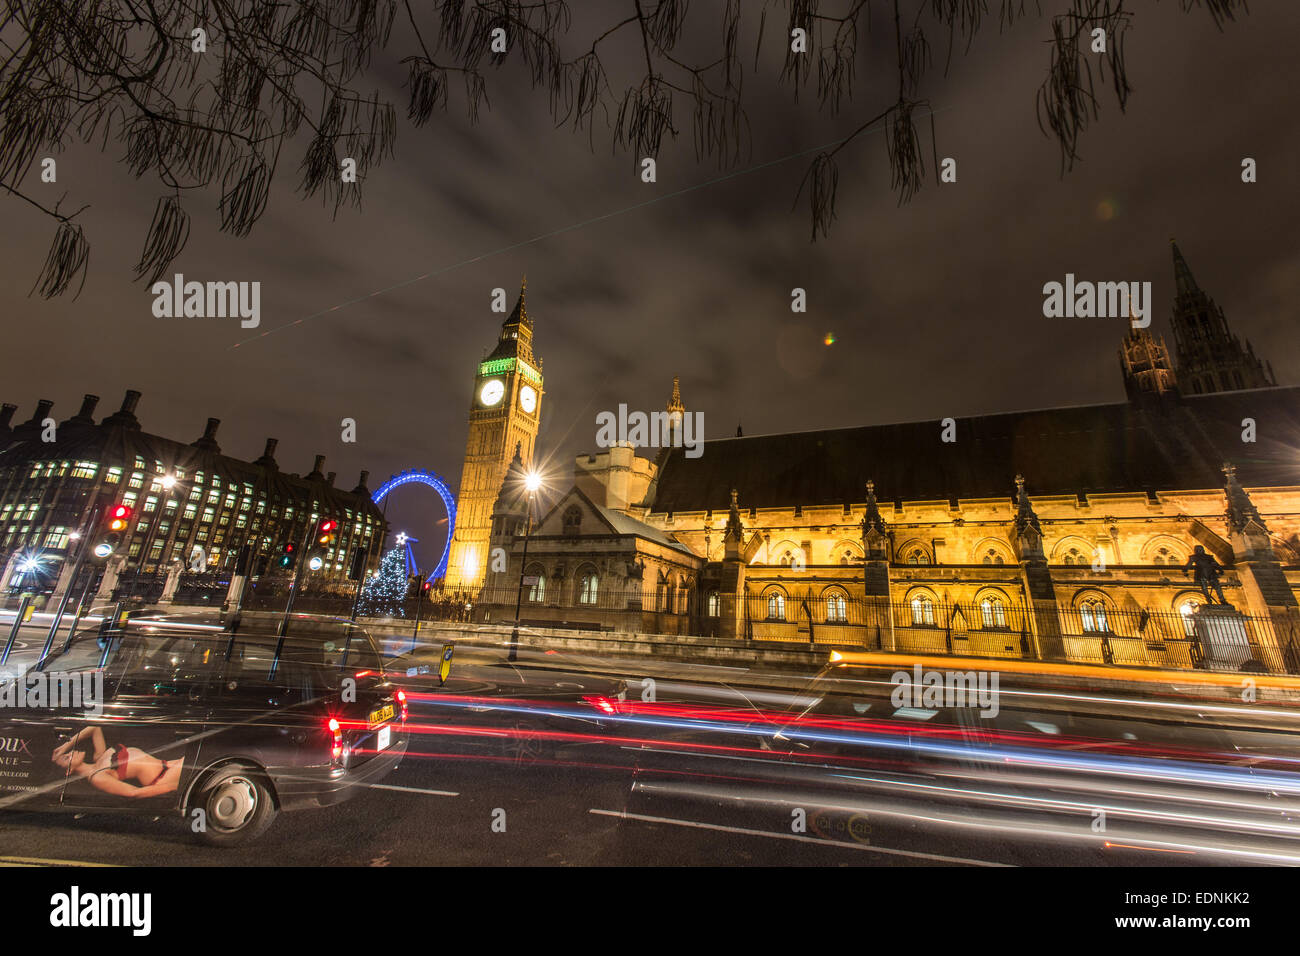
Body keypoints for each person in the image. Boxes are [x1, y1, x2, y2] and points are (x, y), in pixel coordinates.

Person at [50, 726, 182, 799]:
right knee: (201, 759)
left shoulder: (99, 757)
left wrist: (66, 745)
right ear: (69, 771)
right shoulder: (97, 777)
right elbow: (133, 793)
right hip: (162, 779)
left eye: (68, 753)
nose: (71, 753)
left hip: (167, 765)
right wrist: (171, 787)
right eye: (67, 758)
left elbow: (94, 728)